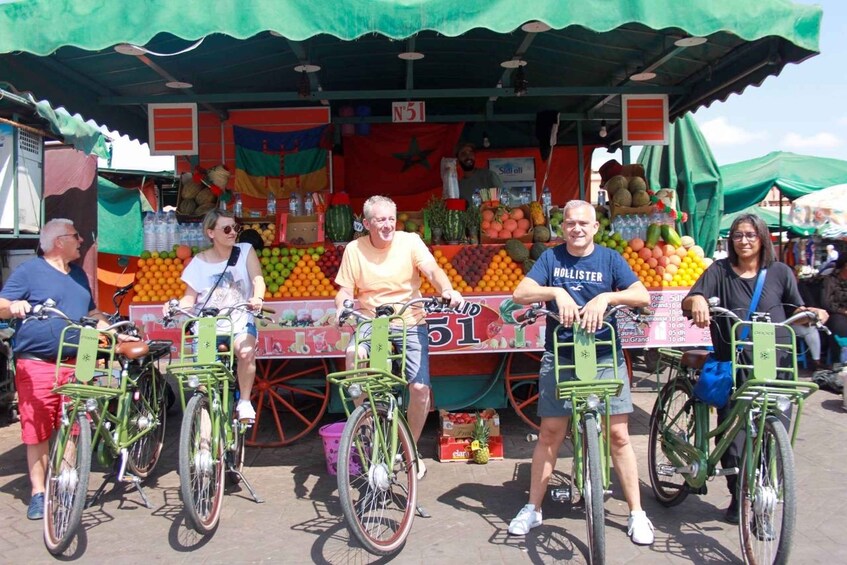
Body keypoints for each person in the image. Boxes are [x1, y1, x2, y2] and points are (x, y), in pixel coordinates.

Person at [506, 200, 655, 545]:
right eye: (571, 223)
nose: (576, 229)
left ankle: (636, 513)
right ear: (563, 228)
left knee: (618, 435)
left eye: (583, 224)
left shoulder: (610, 259)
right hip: (560, 358)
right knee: (550, 433)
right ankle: (533, 508)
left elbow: (641, 294)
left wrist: (608, 298)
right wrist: (556, 291)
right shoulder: (551, 259)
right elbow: (521, 292)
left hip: (605, 356)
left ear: (595, 227)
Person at [682, 213, 828, 524]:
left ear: (762, 238)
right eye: (737, 235)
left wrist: (814, 313)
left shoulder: (780, 272)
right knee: (735, 442)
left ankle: (763, 505)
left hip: (776, 367)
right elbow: (691, 298)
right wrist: (696, 300)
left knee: (772, 439)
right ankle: (739, 496)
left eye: (750, 234)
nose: (744, 241)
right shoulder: (719, 270)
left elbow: (796, 308)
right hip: (734, 366)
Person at [0, 219, 136, 520]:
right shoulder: (29, 271)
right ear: (59, 241)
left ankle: (66, 481)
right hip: (38, 362)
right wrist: (15, 307)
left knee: (74, 425)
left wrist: (113, 331)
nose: (81, 241)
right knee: (38, 430)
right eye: (76, 236)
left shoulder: (78, 275)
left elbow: (91, 314)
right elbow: (2, 304)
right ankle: (38, 491)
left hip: (78, 361)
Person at [334, 195, 464, 477]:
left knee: (419, 390)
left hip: (409, 318)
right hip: (373, 320)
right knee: (353, 354)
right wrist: (342, 306)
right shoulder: (354, 249)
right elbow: (344, 289)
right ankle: (365, 424)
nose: (387, 225)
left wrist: (447, 289)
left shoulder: (411, 241)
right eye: (380, 220)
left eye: (391, 218)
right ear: (366, 223)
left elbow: (432, 269)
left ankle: (410, 450)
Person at [168, 209, 266, 422]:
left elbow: (258, 279)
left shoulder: (245, 250)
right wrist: (175, 306)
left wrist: (257, 298)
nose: (233, 233)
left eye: (236, 228)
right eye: (227, 229)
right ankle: (203, 444)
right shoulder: (198, 263)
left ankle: (245, 402)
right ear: (210, 233)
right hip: (207, 326)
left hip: (239, 321)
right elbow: (189, 299)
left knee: (246, 351)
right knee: (204, 387)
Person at [822, 255, 847, 362]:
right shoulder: (830, 280)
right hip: (835, 313)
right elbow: (826, 302)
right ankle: (839, 361)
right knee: (839, 325)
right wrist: (843, 311)